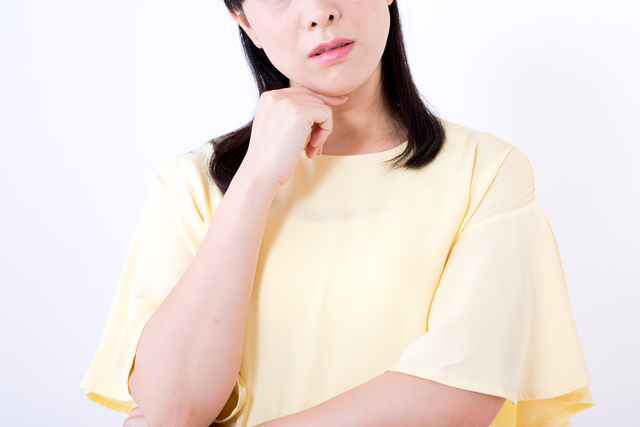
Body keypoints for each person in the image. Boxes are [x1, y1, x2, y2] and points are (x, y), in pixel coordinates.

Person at [80, 1, 594, 426]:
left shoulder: (486, 170)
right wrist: (255, 180)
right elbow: (172, 407)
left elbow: (460, 392)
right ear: (244, 21)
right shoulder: (189, 186)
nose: (319, 12)